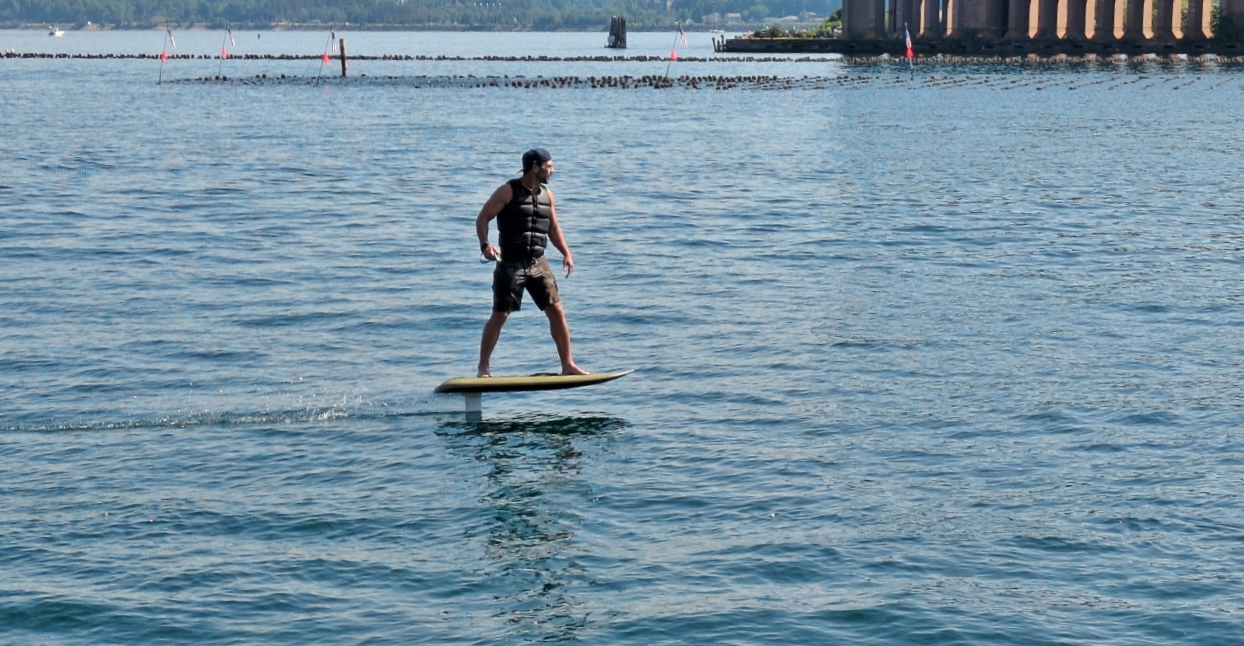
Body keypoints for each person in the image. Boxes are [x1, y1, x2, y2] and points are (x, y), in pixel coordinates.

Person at [476, 148, 588, 378]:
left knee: (556, 311)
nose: (553, 171)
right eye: (549, 166)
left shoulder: (548, 195)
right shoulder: (507, 191)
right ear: (535, 167)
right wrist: (485, 245)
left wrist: (566, 253)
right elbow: (483, 218)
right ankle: (483, 368)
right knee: (500, 314)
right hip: (511, 263)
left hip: (538, 262)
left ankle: (568, 364)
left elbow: (553, 228)